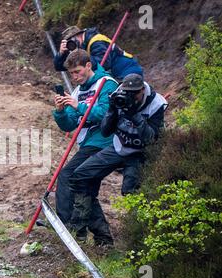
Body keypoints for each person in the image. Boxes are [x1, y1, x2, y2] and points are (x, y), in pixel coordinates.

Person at [70, 73, 167, 245]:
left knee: (131, 192)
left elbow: (151, 140)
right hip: (118, 146)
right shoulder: (118, 96)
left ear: (142, 90)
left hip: (140, 153)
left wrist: (134, 115)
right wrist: (113, 109)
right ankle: (87, 234)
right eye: (127, 92)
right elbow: (106, 131)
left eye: (134, 93)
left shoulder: (156, 103)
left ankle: (140, 240)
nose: (130, 96)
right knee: (80, 176)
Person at [50, 49, 118, 242]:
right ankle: (102, 238)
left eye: (77, 71)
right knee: (85, 188)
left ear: (89, 65)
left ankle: (65, 224)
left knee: (68, 175)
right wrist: (61, 111)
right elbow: (70, 124)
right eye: (71, 73)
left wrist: (78, 105)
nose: (74, 77)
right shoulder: (78, 91)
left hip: (104, 142)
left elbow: (106, 115)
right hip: (88, 143)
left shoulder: (106, 84)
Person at [53, 26, 143, 81]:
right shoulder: (80, 48)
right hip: (115, 75)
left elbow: (103, 63)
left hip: (127, 70)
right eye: (68, 43)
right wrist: (61, 54)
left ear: (80, 35)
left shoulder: (96, 40)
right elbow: (60, 67)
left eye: (73, 40)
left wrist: (80, 53)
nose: (72, 44)